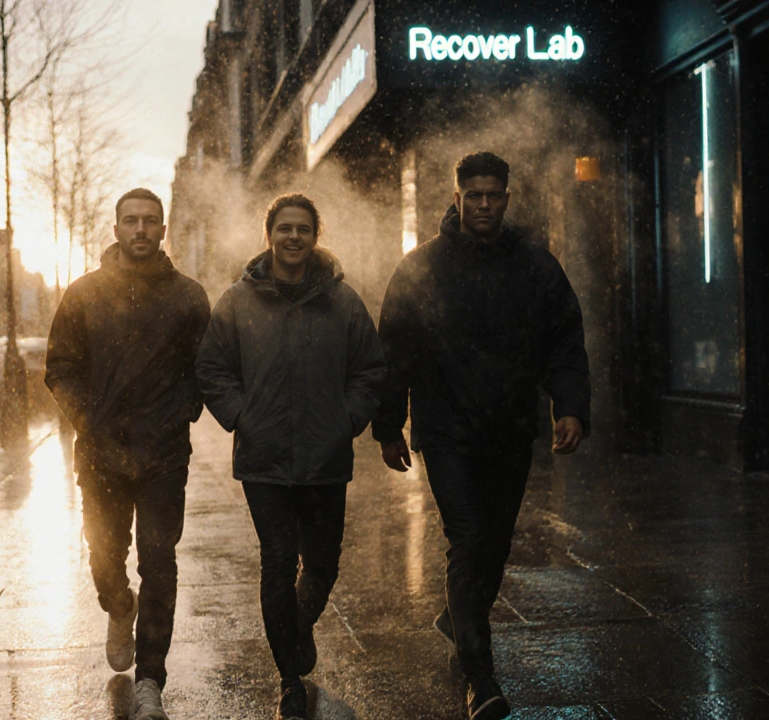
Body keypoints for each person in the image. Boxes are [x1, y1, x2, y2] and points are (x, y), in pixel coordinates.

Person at [372, 152, 591, 720]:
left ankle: (458, 614)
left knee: (493, 545)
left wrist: (570, 407)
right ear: (457, 198)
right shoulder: (422, 268)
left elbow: (563, 341)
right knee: (468, 542)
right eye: (475, 195)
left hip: (511, 429)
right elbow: (394, 352)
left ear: (508, 199)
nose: (485, 204)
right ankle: (481, 678)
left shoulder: (536, 268)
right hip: (446, 433)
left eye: (494, 195)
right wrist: (388, 426)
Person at [196, 194, 385, 720]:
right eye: (284, 228)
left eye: (303, 229)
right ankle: (288, 678)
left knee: (322, 565)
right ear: (269, 235)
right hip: (265, 462)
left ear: (315, 236)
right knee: (278, 563)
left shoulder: (343, 302)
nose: (294, 237)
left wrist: (346, 421)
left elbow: (371, 368)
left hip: (326, 460)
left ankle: (295, 628)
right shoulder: (237, 301)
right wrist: (242, 415)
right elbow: (212, 368)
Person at [45, 187, 210, 720]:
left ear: (163, 231)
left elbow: (204, 369)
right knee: (103, 558)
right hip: (100, 454)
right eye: (130, 221)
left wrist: (183, 408)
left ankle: (151, 683)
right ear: (114, 229)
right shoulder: (84, 294)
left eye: (150, 221)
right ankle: (118, 606)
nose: (140, 229)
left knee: (159, 564)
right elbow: (60, 367)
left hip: (164, 454)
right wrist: (87, 418)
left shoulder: (188, 297)